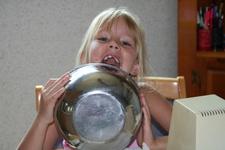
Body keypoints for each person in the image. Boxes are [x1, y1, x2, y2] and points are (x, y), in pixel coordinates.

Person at [17, 7, 172, 150]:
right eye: (103, 39)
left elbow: (194, 136)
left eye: (125, 43)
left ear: (135, 66)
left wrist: (155, 145)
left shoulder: (145, 96)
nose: (113, 45)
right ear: (85, 58)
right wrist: (42, 119)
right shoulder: (67, 100)